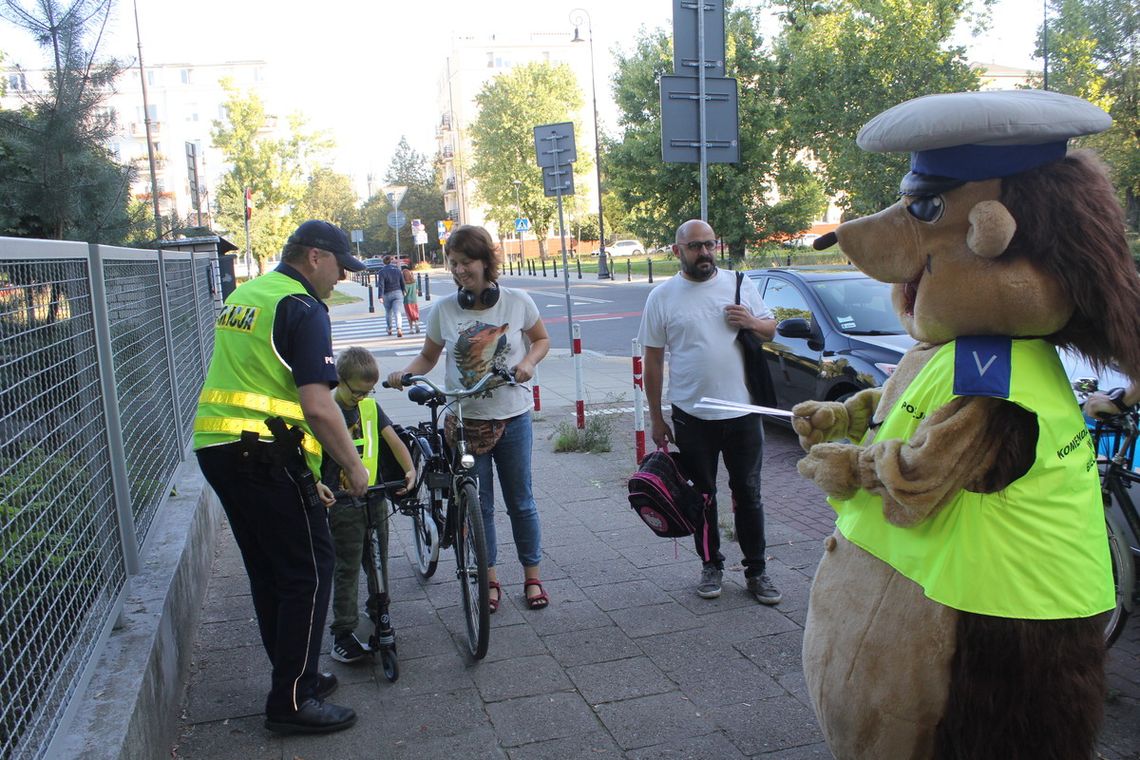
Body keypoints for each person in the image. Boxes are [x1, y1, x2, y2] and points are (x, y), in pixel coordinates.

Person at [193, 219, 369, 735]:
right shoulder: (302, 305)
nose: (340, 279)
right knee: (309, 569)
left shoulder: (249, 293)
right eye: (339, 267)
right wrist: (352, 466)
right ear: (314, 257)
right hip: (261, 452)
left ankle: (297, 679)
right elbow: (317, 405)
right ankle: (292, 700)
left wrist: (303, 470)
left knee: (270, 571)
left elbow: (255, 378)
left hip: (220, 448)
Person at [386, 225, 552, 612]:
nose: (460, 270)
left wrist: (528, 362)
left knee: (521, 502)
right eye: (454, 263)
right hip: (464, 420)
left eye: (467, 262)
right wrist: (403, 374)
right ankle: (488, 580)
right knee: (481, 505)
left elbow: (541, 340)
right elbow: (428, 357)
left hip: (513, 417)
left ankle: (532, 577)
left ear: (486, 262)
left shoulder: (517, 301)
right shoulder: (444, 309)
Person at [637, 219, 780, 604]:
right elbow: (651, 361)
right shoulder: (662, 297)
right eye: (696, 246)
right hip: (692, 415)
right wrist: (656, 417)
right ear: (676, 251)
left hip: (744, 412)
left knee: (748, 494)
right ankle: (711, 564)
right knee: (702, 496)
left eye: (710, 244)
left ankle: (757, 570)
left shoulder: (738, 283)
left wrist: (750, 321)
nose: (704, 253)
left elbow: (770, 328)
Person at [323, 347, 416, 663]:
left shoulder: (372, 409)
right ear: (340, 380)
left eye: (368, 392)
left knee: (378, 561)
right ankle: (343, 632)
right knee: (346, 567)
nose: (362, 398)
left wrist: (409, 469)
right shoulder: (327, 411)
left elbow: (394, 441)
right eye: (357, 392)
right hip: (343, 504)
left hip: (375, 499)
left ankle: (378, 611)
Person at [378, 255, 405, 337]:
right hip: (397, 292)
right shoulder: (397, 270)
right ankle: (399, 328)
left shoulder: (382, 272)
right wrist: (404, 290)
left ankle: (389, 329)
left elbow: (381, 285)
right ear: (391, 261)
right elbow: (402, 281)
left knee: (388, 312)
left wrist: (380, 296)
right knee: (397, 312)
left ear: (383, 262)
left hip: (386, 294)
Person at [401, 265, 421, 334]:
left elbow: (405, 294)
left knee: (409, 315)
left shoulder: (405, 284)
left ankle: (411, 329)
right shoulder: (414, 282)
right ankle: (416, 323)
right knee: (415, 313)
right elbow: (417, 291)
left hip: (407, 301)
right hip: (414, 300)